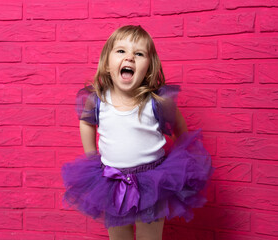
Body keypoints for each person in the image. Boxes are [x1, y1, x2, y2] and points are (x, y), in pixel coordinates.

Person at [62, 25, 214, 240]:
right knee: (118, 236)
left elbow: (179, 127)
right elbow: (86, 122)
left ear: (149, 67)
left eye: (139, 54)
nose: (130, 58)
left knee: (150, 237)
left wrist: (181, 155)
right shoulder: (97, 99)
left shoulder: (158, 101)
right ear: (107, 62)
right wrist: (91, 156)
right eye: (121, 51)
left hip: (152, 181)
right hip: (112, 181)